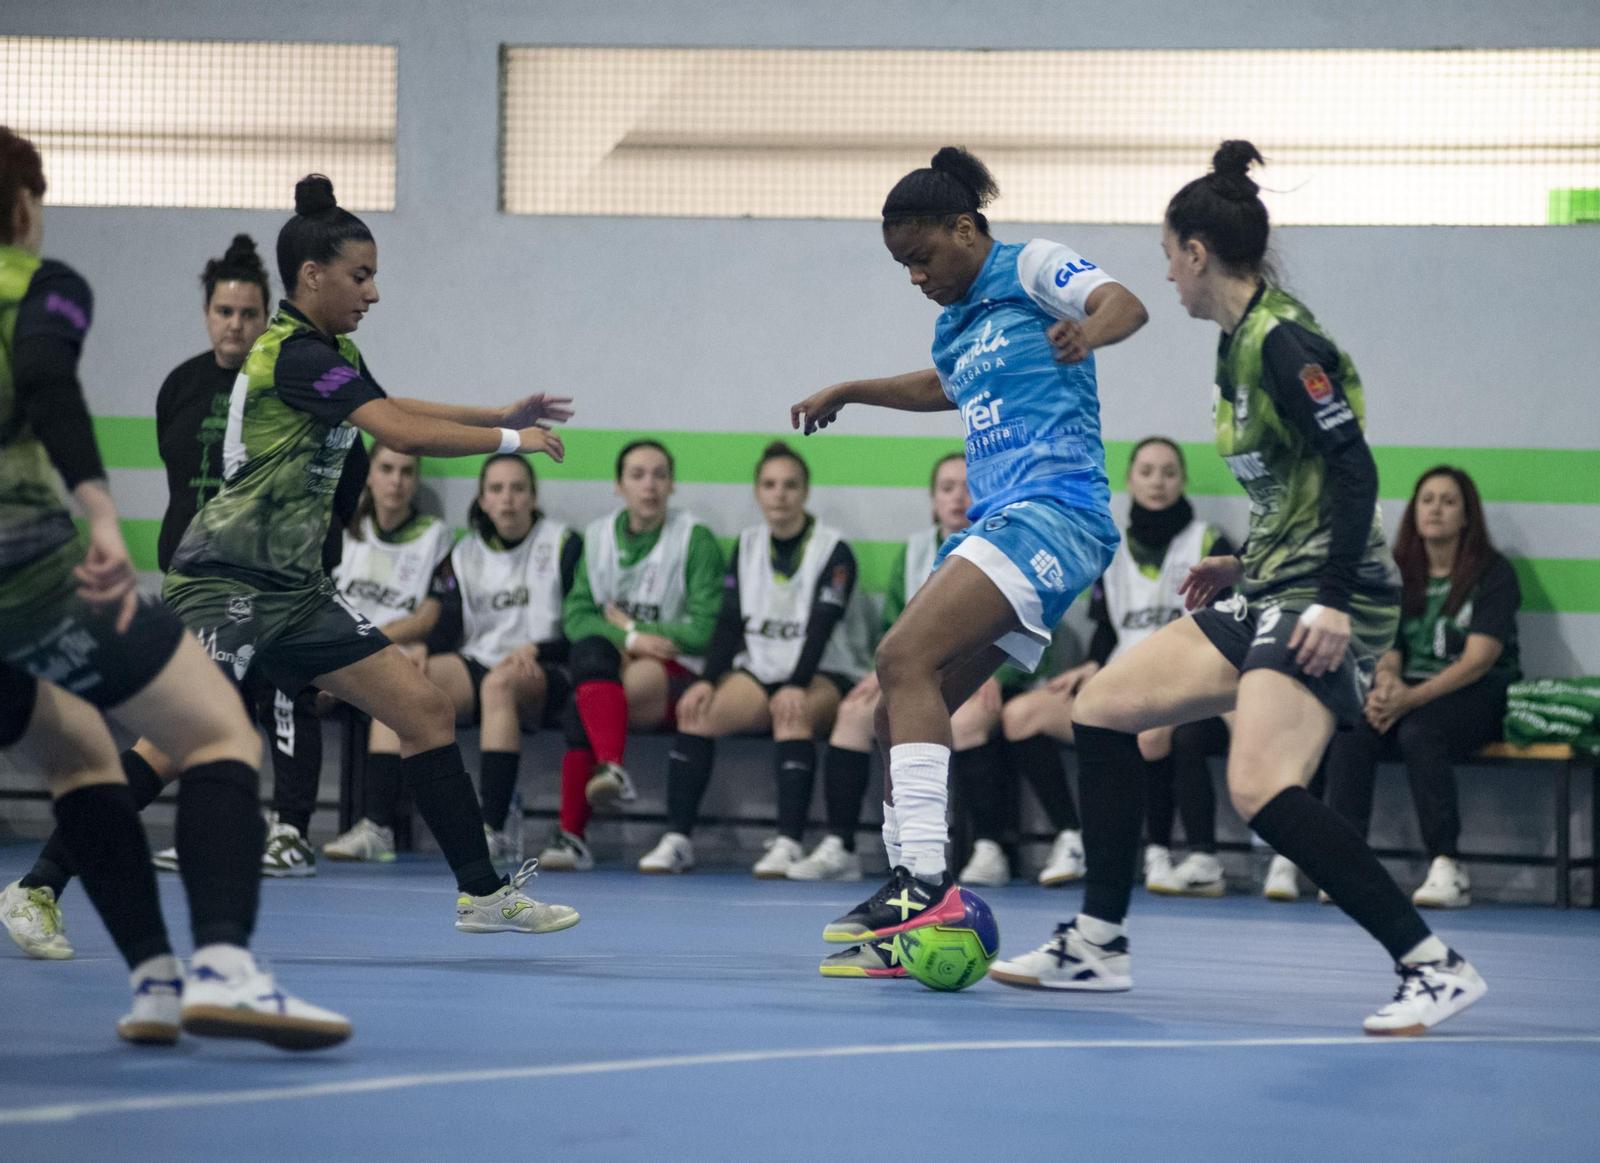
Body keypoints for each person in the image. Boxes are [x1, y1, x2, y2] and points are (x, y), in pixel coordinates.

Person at [989, 142, 1487, 1038]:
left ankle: (1432, 963)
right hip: (1279, 582)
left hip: (1333, 592)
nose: (1166, 277)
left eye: (1166, 257)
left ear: (1194, 253)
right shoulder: (1234, 342)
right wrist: (1245, 566)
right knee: (1103, 707)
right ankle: (1098, 941)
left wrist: (1330, 598)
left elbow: (1354, 470)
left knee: (1259, 783)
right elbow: (1289, 485)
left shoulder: (1284, 340)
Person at [157, 173, 579, 936]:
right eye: (362, 275)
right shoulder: (289, 355)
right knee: (177, 740)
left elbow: (393, 406)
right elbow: (402, 433)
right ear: (312, 277)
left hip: (294, 587)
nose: (374, 292)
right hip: (227, 581)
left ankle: (482, 895)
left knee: (423, 707)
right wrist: (513, 439)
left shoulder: (332, 350)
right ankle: (43, 884)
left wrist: (494, 409)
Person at [0, 127, 348, 1047]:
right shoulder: (40, 284)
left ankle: (153, 978)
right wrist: (100, 515)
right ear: (26, 210)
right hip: (27, 577)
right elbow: (40, 377)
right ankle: (224, 965)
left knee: (79, 753)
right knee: (216, 729)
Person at [790, 146, 1149, 949]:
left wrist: (1088, 331)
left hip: (1054, 511)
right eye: (901, 267)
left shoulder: (1031, 267)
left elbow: (1125, 301)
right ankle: (909, 894)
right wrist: (849, 389)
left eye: (921, 257)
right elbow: (940, 385)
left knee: (900, 655)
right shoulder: (956, 321)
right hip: (1000, 521)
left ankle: (921, 882)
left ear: (963, 228)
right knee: (903, 706)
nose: (916, 276)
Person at [992, 437, 1235, 894]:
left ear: (1182, 480)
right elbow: (1107, 628)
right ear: (1129, 480)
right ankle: (1072, 835)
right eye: (1146, 471)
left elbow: (1229, 623)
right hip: (1122, 681)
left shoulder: (1207, 542)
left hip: (1189, 684)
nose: (1157, 482)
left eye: (1168, 472)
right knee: (1021, 715)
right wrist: (1091, 665)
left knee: (1153, 728)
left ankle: (1157, 850)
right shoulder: (1111, 546)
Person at [637, 441, 870, 876]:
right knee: (696, 711)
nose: (779, 494)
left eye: (789, 485)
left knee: (791, 713)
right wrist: (708, 679)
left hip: (823, 672)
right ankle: (678, 838)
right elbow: (728, 624)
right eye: (769, 485)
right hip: (761, 666)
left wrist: (796, 685)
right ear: (757, 493)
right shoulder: (745, 546)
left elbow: (820, 629)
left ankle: (789, 843)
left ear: (804, 492)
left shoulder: (834, 550)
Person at [793, 453, 1007, 890]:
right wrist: (880, 672)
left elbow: (1024, 625)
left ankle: (989, 847)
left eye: (968, 486)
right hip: (915, 675)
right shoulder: (912, 553)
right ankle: (841, 845)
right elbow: (894, 626)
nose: (958, 496)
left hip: (978, 674)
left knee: (964, 721)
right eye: (947, 488)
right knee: (854, 714)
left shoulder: (1003, 547)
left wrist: (998, 675)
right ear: (932, 501)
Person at [1325, 466, 1522, 909]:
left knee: (1421, 732)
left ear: (1467, 516)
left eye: (1448, 501)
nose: (1435, 509)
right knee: (1355, 727)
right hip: (1410, 692)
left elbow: (1478, 661)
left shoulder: (1493, 573)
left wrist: (1408, 700)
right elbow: (1387, 647)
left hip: (1479, 692)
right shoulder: (1397, 572)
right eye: (1426, 499)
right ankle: (1345, 863)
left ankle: (1447, 865)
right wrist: (1389, 686)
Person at [536, 439, 723, 871]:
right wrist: (634, 641)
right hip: (620, 662)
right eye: (637, 476)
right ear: (618, 486)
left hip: (678, 669)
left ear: (672, 484)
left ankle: (573, 835)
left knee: (584, 701)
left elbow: (703, 631)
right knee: (589, 651)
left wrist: (631, 629)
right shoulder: (599, 537)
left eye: (659, 475)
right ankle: (610, 769)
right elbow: (577, 617)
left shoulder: (694, 539)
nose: (649, 486)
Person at [424, 454, 579, 863]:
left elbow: (582, 627)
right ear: (483, 500)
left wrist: (541, 649)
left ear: (533, 496)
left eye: (517, 488)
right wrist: (420, 652)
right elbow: (450, 623)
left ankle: (492, 827)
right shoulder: (464, 552)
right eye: (497, 489)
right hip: (481, 659)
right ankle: (378, 825)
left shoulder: (563, 542)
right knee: (406, 680)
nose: (507, 499)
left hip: (546, 666)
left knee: (499, 685)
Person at [321, 443, 456, 861]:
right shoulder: (339, 530)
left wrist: (364, 644)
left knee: (390, 687)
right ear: (369, 475)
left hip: (383, 654)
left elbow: (428, 617)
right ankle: (283, 823)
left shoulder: (436, 535)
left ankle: (376, 826)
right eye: (386, 468)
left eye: (406, 471)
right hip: (334, 653)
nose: (396, 481)